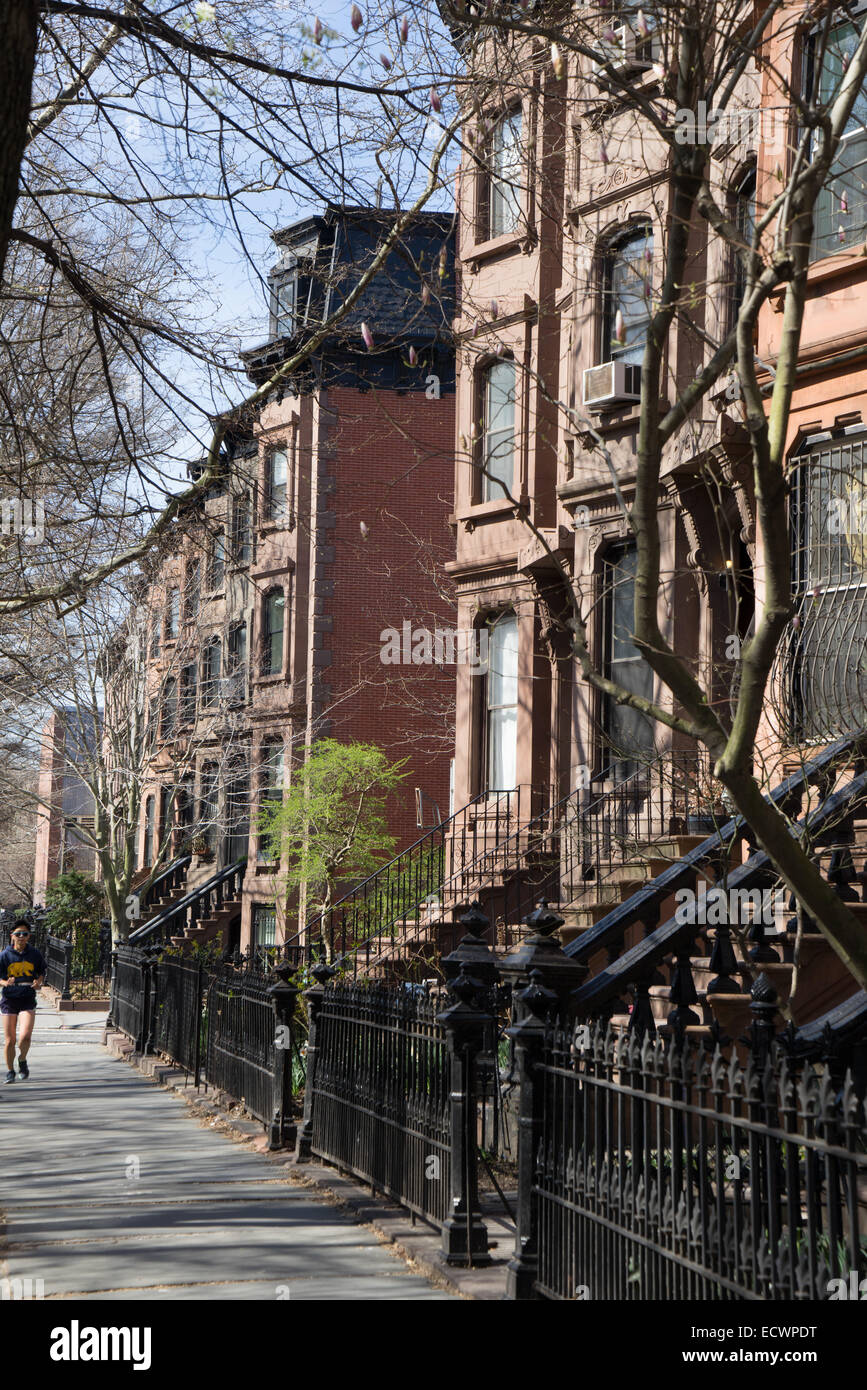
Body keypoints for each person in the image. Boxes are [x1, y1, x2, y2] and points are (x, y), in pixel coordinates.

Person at [0, 925, 46, 1082]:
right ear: (12, 935)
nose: (21, 936)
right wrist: (5, 983)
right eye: (18, 934)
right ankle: (10, 1070)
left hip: (27, 996)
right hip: (9, 999)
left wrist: (38, 982)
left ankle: (22, 1060)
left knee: (25, 1037)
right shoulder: (5, 955)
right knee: (10, 1040)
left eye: (24, 934)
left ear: (28, 936)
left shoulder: (34, 954)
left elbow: (41, 972)